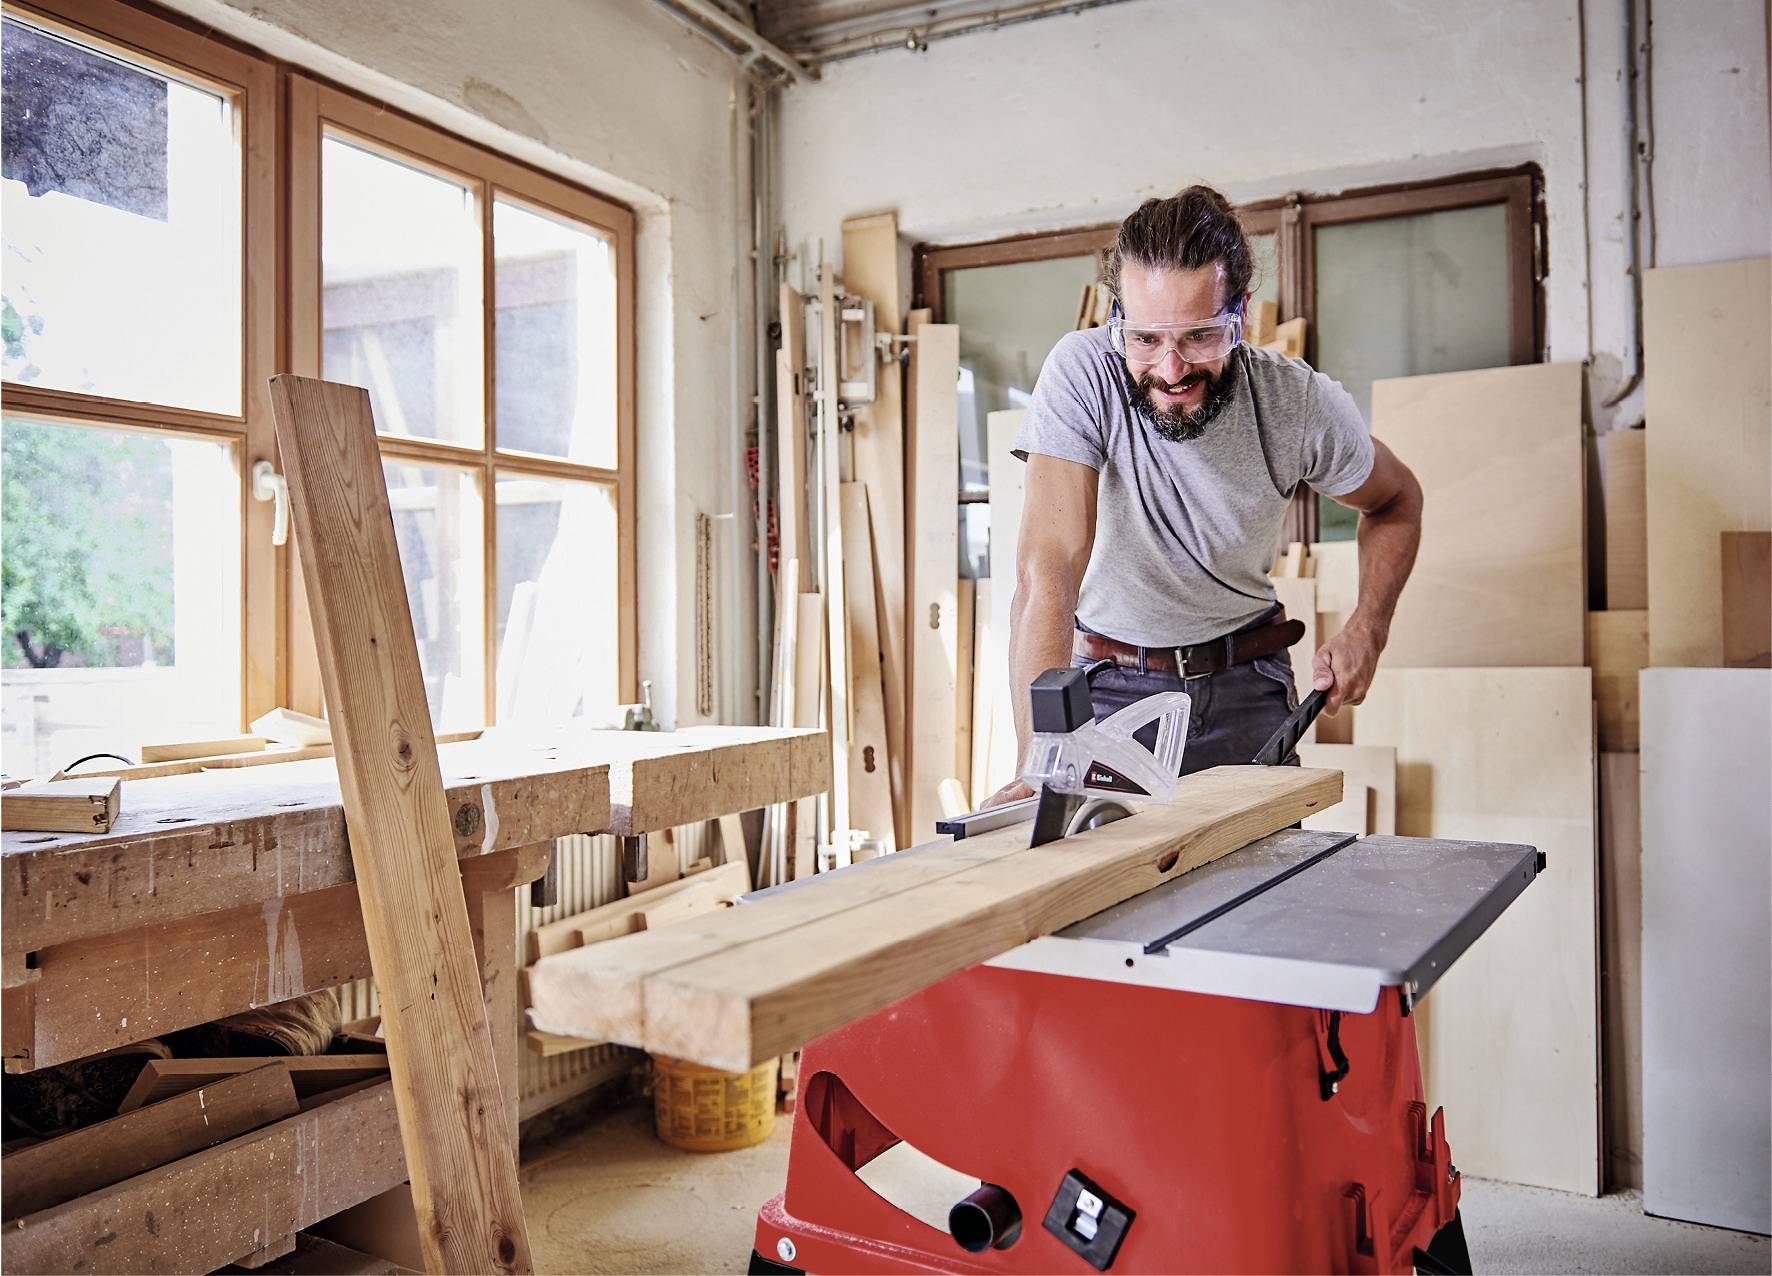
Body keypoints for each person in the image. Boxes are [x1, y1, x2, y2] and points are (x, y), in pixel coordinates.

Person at [986, 184, 1422, 807]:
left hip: (1247, 686)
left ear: (1240, 311)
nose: (1170, 369)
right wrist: (1041, 760)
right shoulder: (1083, 374)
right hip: (1108, 690)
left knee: (1252, 895)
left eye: (1199, 337)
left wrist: (1368, 629)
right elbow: (1046, 571)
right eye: (1145, 339)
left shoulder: (1295, 404)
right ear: (1117, 318)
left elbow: (1396, 501)